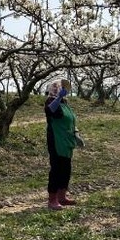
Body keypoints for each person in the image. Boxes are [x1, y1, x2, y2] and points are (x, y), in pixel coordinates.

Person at [44, 78, 79, 210]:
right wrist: (58, 98)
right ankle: (52, 199)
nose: (59, 89)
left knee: (66, 169)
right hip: (56, 140)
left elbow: (71, 121)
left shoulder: (65, 103)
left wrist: (76, 133)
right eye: (57, 87)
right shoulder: (51, 102)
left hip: (67, 141)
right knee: (56, 169)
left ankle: (62, 196)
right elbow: (50, 111)